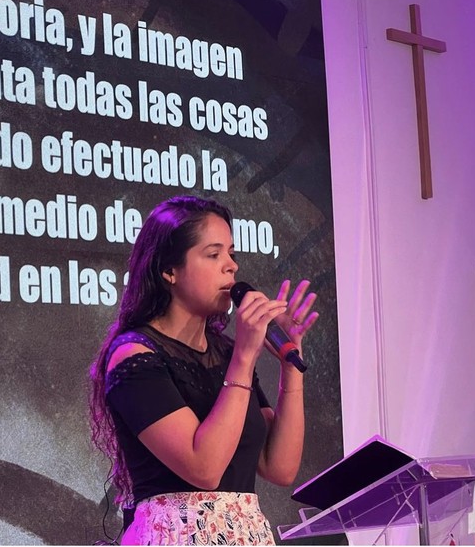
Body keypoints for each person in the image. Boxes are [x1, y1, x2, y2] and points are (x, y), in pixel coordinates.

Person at [89, 195, 319, 545]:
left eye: (232, 254)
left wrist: (291, 366)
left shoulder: (225, 353)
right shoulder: (134, 355)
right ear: (169, 270)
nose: (231, 266)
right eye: (213, 255)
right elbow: (204, 468)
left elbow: (279, 466)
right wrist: (244, 357)